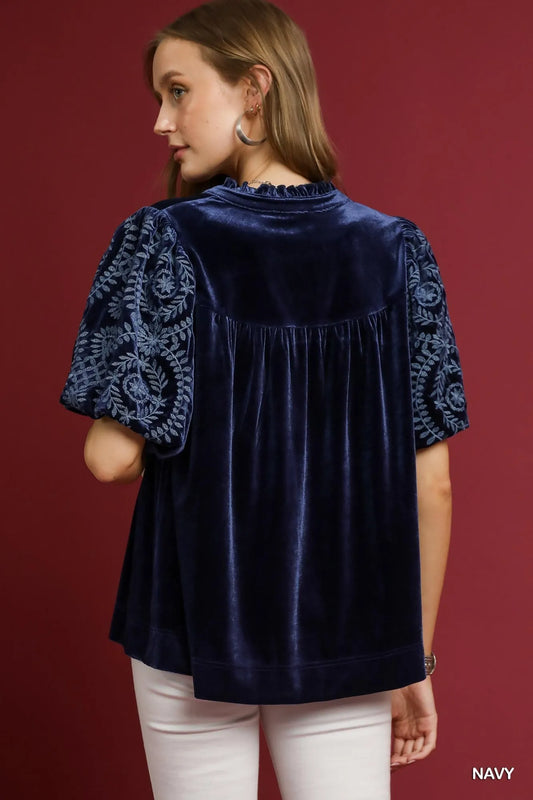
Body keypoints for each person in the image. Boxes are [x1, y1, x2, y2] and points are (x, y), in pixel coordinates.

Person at [60, 1, 470, 797]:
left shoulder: (162, 241)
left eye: (178, 91)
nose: (160, 121)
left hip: (192, 621)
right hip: (349, 630)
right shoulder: (398, 251)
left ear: (254, 88)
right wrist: (411, 659)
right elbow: (432, 484)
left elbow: (109, 459)